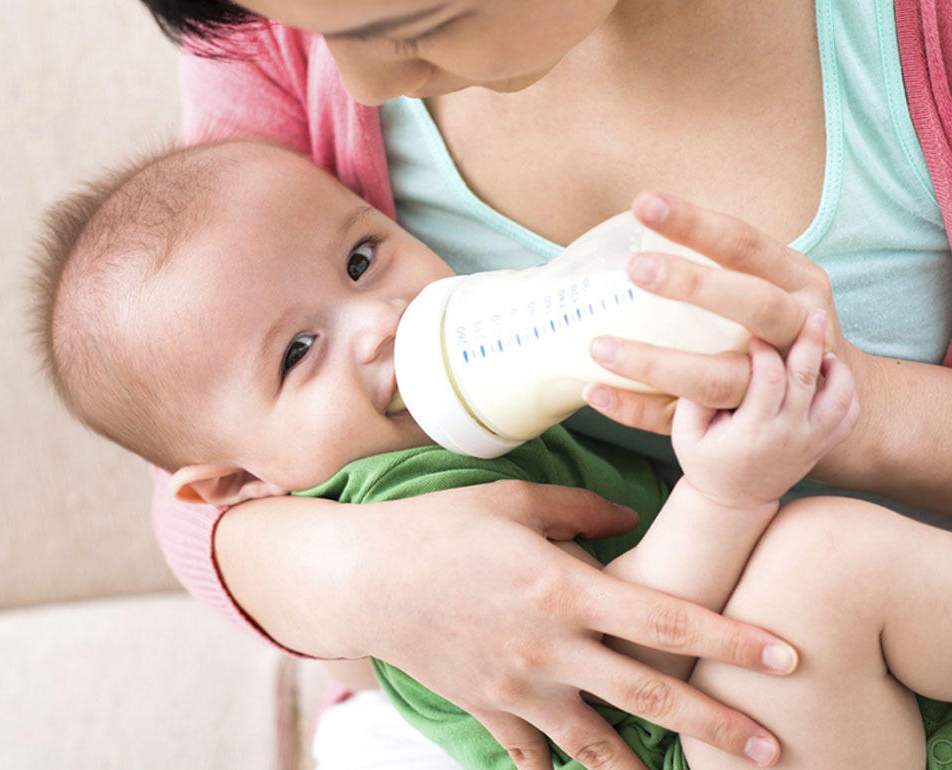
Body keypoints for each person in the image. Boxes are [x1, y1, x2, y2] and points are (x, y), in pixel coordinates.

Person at [130, 1, 952, 767]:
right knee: (816, 574)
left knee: (820, 569)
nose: (362, 85)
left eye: (361, 260)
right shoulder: (394, 492)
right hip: (671, 728)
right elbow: (190, 439)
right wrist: (352, 578)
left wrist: (860, 415)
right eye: (300, 350)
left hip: (852, 660)